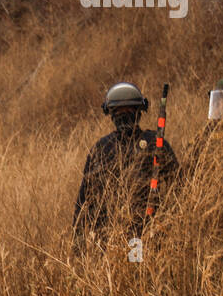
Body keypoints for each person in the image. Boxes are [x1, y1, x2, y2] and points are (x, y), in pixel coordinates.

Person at [73, 82, 181, 241]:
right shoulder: (101, 149)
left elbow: (178, 186)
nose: (124, 114)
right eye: (119, 110)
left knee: (136, 262)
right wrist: (78, 241)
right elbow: (84, 200)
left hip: (147, 233)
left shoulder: (155, 144)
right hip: (108, 237)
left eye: (128, 109)